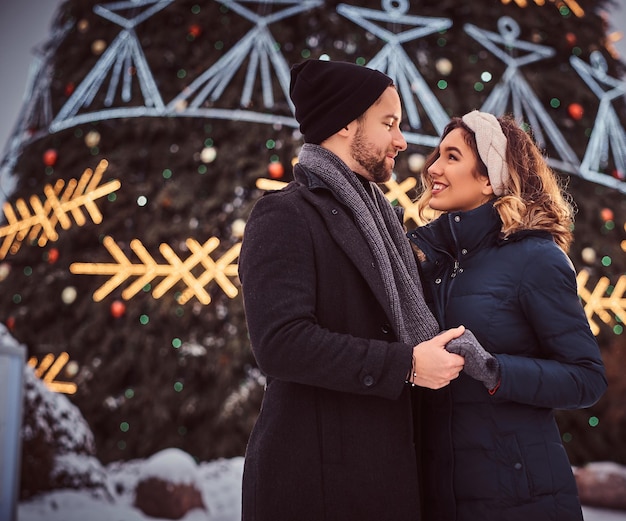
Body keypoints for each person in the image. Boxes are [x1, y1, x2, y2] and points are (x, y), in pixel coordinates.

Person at [238, 59, 467, 521]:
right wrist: (405, 366)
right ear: (345, 123)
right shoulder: (285, 215)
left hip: (384, 480)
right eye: (388, 123)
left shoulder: (383, 222)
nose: (401, 141)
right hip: (318, 486)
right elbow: (281, 344)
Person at [407, 110, 608, 520]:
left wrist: (495, 371)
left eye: (451, 157)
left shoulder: (536, 259)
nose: (433, 168)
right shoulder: (430, 264)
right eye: (437, 156)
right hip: (441, 498)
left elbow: (587, 378)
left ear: (489, 178)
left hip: (520, 500)